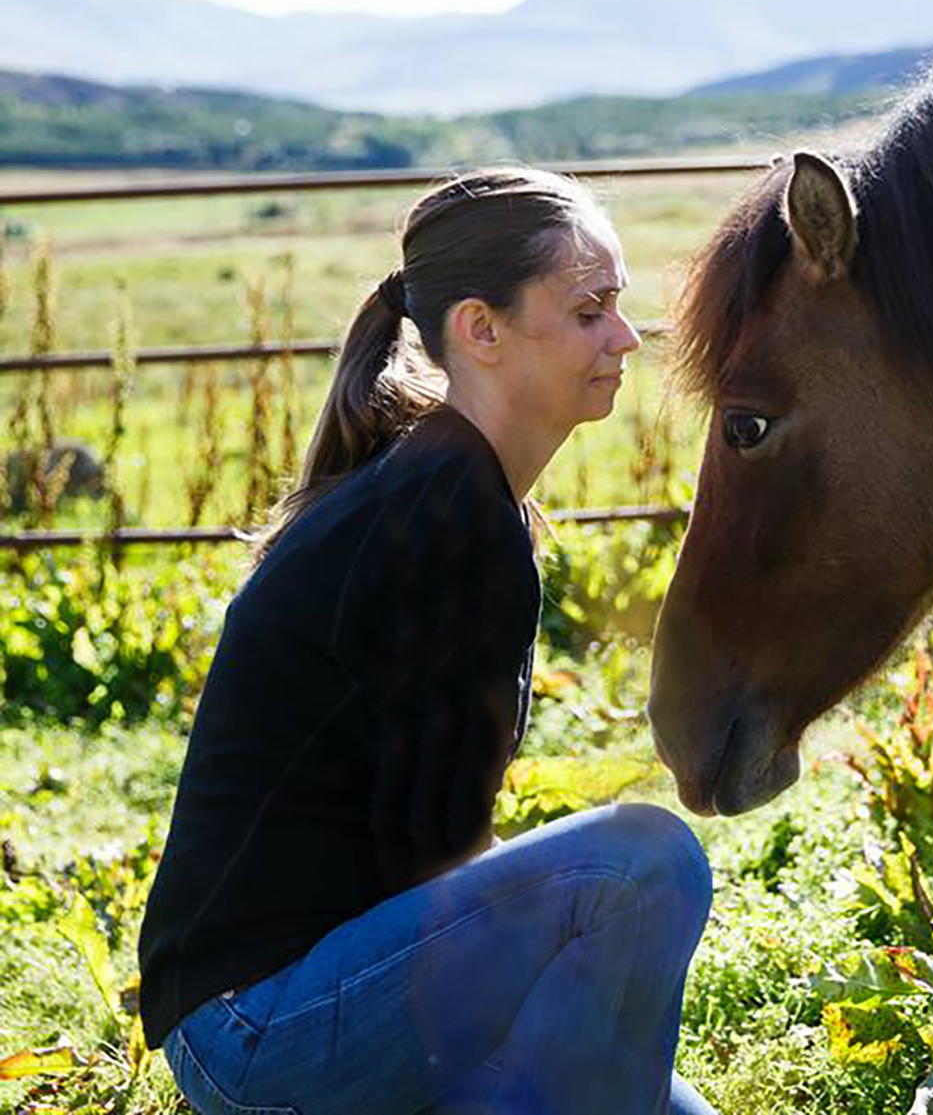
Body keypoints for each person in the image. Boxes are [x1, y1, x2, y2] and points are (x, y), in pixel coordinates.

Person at [136, 165, 717, 1115]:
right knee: (643, 865)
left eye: (618, 306)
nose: (624, 336)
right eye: (588, 311)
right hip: (261, 1026)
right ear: (480, 330)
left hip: (323, 992)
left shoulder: (453, 488)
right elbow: (439, 859)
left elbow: (433, 848)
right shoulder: (445, 510)